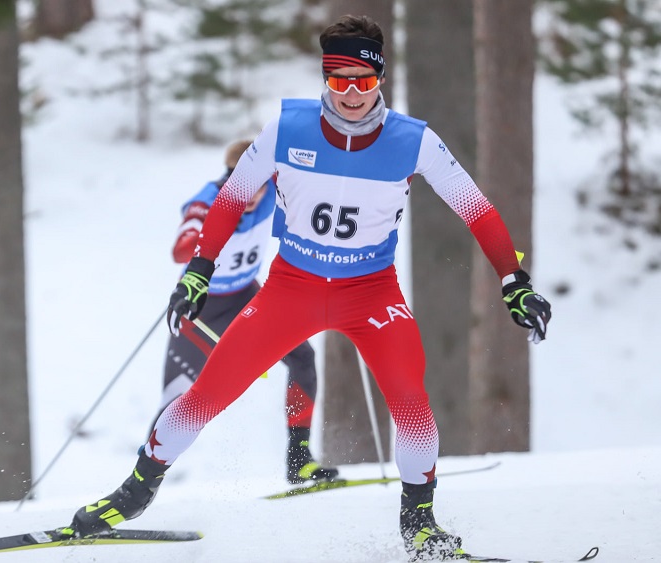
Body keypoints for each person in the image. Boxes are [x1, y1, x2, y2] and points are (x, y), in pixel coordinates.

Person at [68, 14, 552, 562]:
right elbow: (231, 199)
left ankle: (420, 521)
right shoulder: (287, 128)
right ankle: (132, 494)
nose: (350, 94)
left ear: (380, 79)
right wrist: (199, 270)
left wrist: (515, 283)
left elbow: (478, 211)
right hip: (290, 289)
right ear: (324, 77)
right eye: (338, 79)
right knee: (205, 396)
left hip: (371, 293)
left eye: (362, 81)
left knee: (412, 403)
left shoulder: (414, 141)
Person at [160, 139, 336, 485]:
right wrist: (210, 234)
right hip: (202, 308)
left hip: (246, 294)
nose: (251, 194)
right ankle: (138, 488)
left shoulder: (273, 188)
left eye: (258, 182)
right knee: (174, 402)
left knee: (303, 357)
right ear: (228, 177)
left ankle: (299, 459)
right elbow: (181, 250)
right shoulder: (207, 201)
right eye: (241, 182)